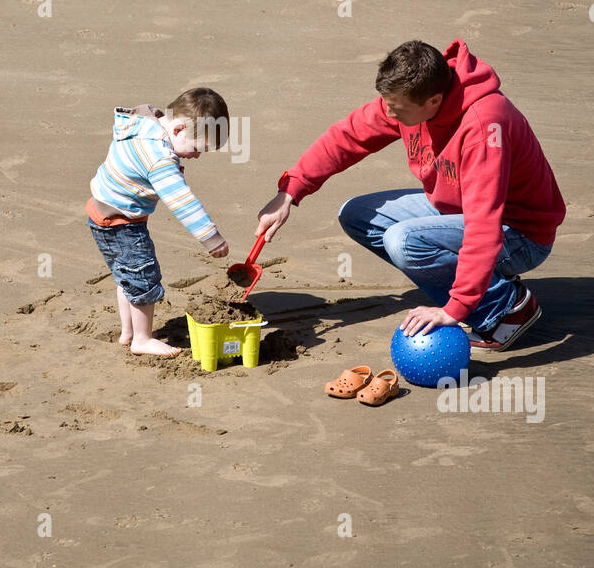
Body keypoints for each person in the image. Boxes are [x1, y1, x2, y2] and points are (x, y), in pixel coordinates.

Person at [254, 40, 564, 350]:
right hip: (457, 211)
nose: (388, 113)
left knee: (403, 241)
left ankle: (506, 308)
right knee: (356, 215)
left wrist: (454, 309)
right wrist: (290, 192)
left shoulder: (483, 127)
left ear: (433, 101)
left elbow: (483, 227)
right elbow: (347, 136)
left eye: (397, 109)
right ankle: (484, 286)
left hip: (520, 234)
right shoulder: (410, 97)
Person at [87, 88, 231, 357]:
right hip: (123, 222)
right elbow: (182, 201)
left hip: (99, 211)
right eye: (198, 148)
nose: (197, 156)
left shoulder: (142, 125)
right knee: (143, 277)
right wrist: (212, 238)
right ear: (177, 130)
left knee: (126, 275)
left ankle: (128, 332)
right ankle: (142, 339)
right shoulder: (159, 158)